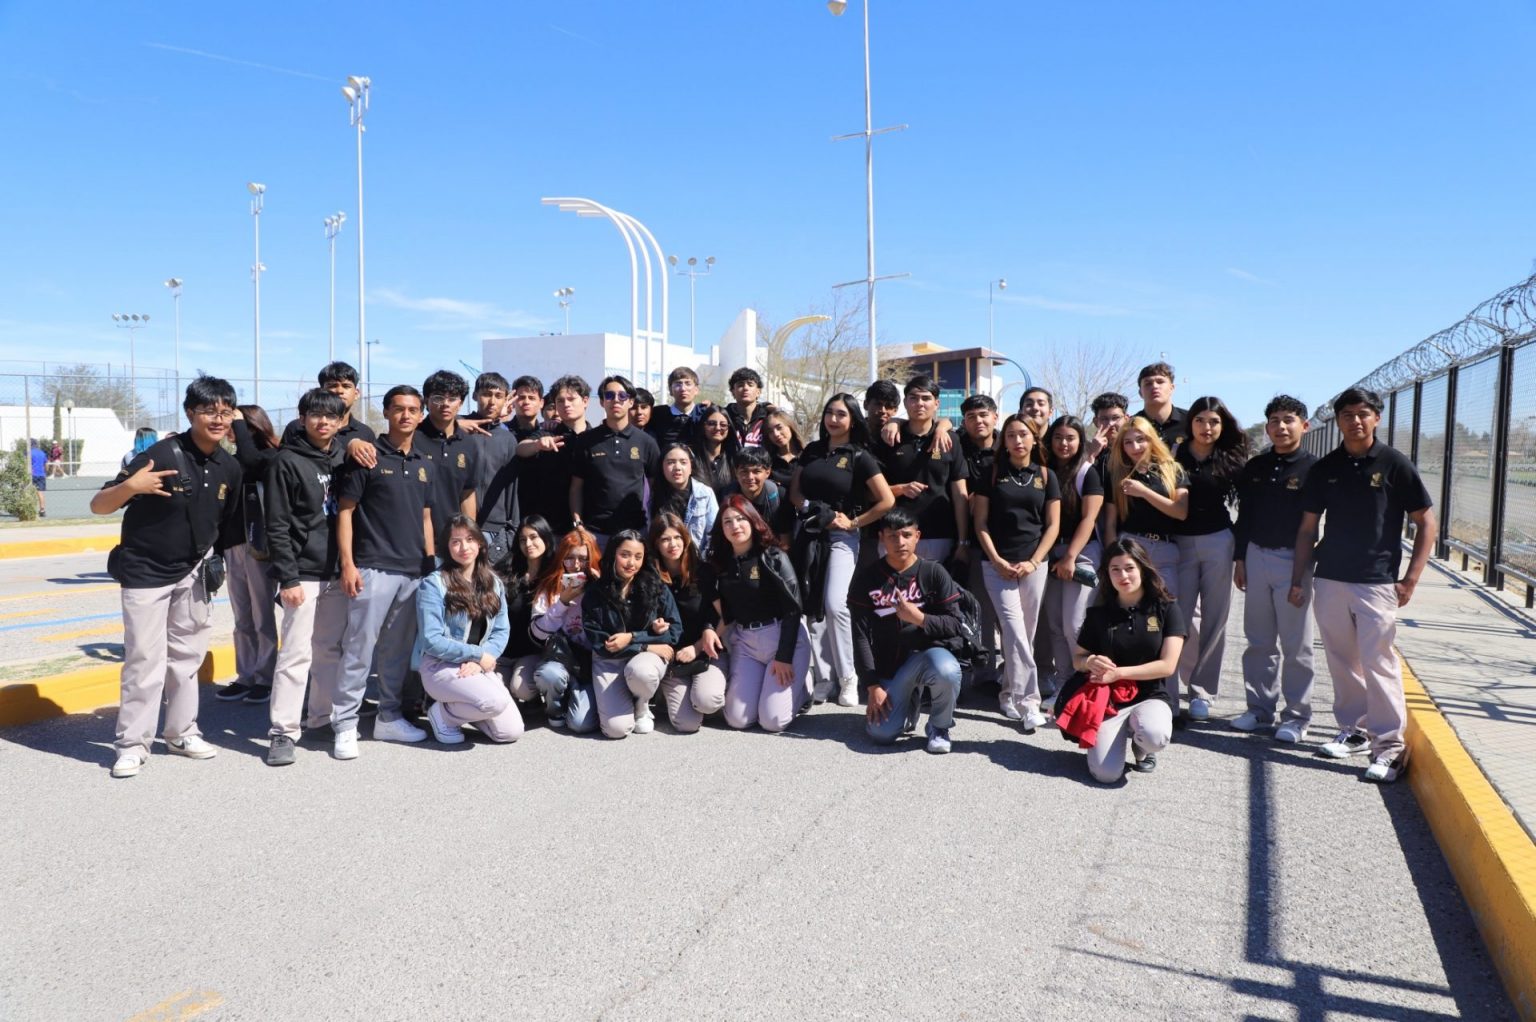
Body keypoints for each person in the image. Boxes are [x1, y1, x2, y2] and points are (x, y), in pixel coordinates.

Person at [91, 376, 243, 779]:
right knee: (144, 660)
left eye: (226, 412)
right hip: (146, 573)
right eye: (209, 411)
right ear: (190, 413)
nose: (218, 419)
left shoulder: (229, 466)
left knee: (187, 659)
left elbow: (225, 524)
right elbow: (99, 505)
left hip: (193, 573)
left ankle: (181, 732)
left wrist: (213, 564)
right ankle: (132, 745)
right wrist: (131, 485)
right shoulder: (159, 455)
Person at [1292, 387, 1435, 783]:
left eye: (1363, 413)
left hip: (1376, 581)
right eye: (1347, 415)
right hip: (1330, 577)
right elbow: (1307, 528)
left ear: (1376, 418)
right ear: (1337, 421)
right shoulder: (1326, 468)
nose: (1355, 421)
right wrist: (1299, 578)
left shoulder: (1394, 464)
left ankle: (1389, 747)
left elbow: (1426, 522)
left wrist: (1410, 580)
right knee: (1341, 659)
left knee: (1378, 662)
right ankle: (1353, 730)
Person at [332, 385, 436, 757]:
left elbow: (426, 517)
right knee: (359, 650)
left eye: (413, 409)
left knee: (396, 652)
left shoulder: (425, 464)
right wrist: (348, 564)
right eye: (399, 408)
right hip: (372, 568)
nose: (406, 415)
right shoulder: (367, 457)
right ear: (387, 412)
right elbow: (345, 512)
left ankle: (388, 717)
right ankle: (345, 723)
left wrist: (430, 565)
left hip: (414, 572)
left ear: (421, 415)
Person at [262, 388, 349, 767]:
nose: (323, 421)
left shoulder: (344, 457)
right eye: (315, 414)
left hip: (337, 572)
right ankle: (283, 731)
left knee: (328, 651)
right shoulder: (287, 461)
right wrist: (288, 578)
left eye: (331, 416)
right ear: (302, 419)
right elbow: (276, 524)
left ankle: (320, 718)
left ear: (341, 422)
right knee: (295, 653)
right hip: (303, 573)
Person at [790, 394, 895, 707]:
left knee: (836, 604)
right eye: (829, 413)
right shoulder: (812, 450)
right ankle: (825, 678)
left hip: (841, 538)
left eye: (841, 414)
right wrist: (811, 510)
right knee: (813, 607)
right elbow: (795, 492)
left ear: (852, 419)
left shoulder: (859, 455)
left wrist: (853, 522)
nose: (833, 419)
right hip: (809, 534)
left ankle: (849, 677)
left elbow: (887, 500)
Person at [1056, 538, 1187, 783]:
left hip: (1150, 696)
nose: (1123, 575)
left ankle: (1141, 746)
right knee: (1106, 775)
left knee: (1155, 736)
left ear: (1142, 569)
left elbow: (1168, 666)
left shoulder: (1167, 608)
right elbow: (1078, 659)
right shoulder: (1098, 613)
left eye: (1129, 568)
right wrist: (1090, 661)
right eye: (1115, 569)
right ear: (1107, 574)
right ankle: (1110, 743)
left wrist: (1119, 673)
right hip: (1108, 700)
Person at [1231, 396, 1317, 743]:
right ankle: (1259, 709)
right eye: (1275, 421)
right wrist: (1240, 558)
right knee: (1259, 640)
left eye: (1289, 420)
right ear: (1267, 427)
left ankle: (1296, 716)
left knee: (1296, 644)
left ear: (1304, 426)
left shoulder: (1314, 469)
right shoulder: (1256, 467)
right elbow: (1245, 516)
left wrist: (1304, 570)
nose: (1281, 427)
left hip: (1294, 560)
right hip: (1256, 555)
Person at [849, 508, 969, 754]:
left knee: (947, 670)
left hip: (929, 657)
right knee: (881, 734)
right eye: (892, 536)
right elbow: (859, 636)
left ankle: (939, 726)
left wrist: (920, 618)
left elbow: (956, 624)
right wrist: (872, 686)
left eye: (906, 535)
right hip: (890, 666)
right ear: (881, 538)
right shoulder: (867, 578)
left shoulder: (933, 572)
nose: (900, 542)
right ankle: (910, 701)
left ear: (917, 536)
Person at [973, 414, 1061, 730]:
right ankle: (1029, 703)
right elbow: (980, 523)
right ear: (1004, 440)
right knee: (1013, 629)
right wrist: (996, 559)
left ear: (1034, 438)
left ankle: (1008, 693)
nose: (1017, 440)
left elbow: (1053, 525)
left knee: (1024, 634)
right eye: (1011, 435)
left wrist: (1034, 561)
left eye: (1023, 434)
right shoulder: (991, 472)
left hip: (1034, 564)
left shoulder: (1046, 475)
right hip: (997, 565)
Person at [1104, 415, 1189, 706]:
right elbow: (1110, 521)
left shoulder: (1172, 469)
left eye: (1140, 439)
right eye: (1128, 442)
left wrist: (1144, 492)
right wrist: (1112, 556)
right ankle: (1124, 697)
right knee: (1129, 622)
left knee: (1166, 623)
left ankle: (1168, 702)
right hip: (1131, 547)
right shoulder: (1118, 473)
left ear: (1152, 439)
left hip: (1165, 549)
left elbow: (1180, 511)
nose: (1135, 446)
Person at [1172, 396, 1248, 721]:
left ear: (1222, 425)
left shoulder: (1231, 458)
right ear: (1190, 423)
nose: (1207, 427)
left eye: (1214, 422)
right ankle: (1167, 689)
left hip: (1219, 541)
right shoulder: (1175, 455)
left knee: (1215, 620)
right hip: (1180, 544)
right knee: (1179, 618)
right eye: (1200, 420)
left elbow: (1247, 508)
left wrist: (1241, 554)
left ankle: (1202, 692)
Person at [415, 514, 522, 744]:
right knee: (494, 701)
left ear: (480, 543)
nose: (464, 547)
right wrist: (477, 655)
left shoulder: (493, 583)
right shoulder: (434, 584)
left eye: (470, 539)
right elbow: (431, 640)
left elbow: (501, 631)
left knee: (510, 732)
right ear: (447, 547)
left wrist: (481, 660)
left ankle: (457, 708)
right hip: (440, 666)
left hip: (477, 666)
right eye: (456, 541)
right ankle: (442, 715)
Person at [710, 497, 812, 732]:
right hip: (746, 643)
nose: (735, 526)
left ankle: (803, 689)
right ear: (721, 528)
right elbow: (716, 606)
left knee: (773, 721)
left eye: (740, 519)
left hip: (782, 638)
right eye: (727, 521)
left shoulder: (773, 556)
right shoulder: (720, 563)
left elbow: (793, 609)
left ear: (753, 521)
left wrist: (784, 656)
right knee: (737, 720)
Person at [582, 530, 681, 738]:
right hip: (610, 660)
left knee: (641, 672)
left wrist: (634, 639)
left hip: (645, 660)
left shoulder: (656, 586)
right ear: (613, 554)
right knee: (615, 729)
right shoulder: (595, 592)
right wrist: (646, 644)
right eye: (625, 555)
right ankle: (626, 700)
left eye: (638, 556)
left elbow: (675, 631)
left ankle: (642, 703)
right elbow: (602, 644)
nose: (631, 563)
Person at [219, 404, 281, 705]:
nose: (228, 430)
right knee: (242, 617)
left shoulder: (270, 456)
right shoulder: (232, 459)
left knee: (262, 616)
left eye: (234, 425)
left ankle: (265, 677)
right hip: (233, 545)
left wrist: (240, 425)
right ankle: (245, 676)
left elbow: (252, 462)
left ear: (251, 426)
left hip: (259, 547)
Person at [1040, 415, 1105, 701]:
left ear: (1081, 441)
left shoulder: (1087, 472)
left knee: (1075, 625)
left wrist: (1070, 557)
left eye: (1070, 438)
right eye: (1058, 437)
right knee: (1055, 624)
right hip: (1049, 554)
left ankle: (1084, 686)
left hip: (1081, 555)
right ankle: (1064, 683)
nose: (1063, 444)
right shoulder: (1043, 471)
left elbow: (1090, 518)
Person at [873, 376, 970, 563]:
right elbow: (873, 491)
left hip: (939, 535)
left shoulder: (950, 439)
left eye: (926, 398)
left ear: (936, 403)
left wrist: (963, 540)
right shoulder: (889, 437)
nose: (919, 403)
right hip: (896, 534)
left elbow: (960, 493)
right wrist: (900, 489)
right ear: (905, 402)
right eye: (913, 398)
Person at [650, 513, 727, 733]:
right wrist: (654, 626)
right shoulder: (651, 576)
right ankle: (667, 694)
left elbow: (725, 615)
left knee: (707, 701)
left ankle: (712, 690)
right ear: (656, 544)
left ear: (685, 539)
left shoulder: (702, 571)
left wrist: (698, 646)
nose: (672, 544)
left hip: (706, 651)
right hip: (672, 657)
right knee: (687, 724)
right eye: (665, 539)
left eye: (677, 537)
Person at [570, 373, 660, 548]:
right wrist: (578, 523)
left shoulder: (646, 442)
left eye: (622, 396)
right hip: (595, 533)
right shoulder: (586, 441)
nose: (616, 400)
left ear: (630, 402)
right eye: (609, 395)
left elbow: (656, 488)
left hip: (635, 533)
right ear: (602, 402)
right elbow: (576, 488)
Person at [530, 528, 604, 730]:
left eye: (583, 559)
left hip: (589, 664)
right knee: (549, 675)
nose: (577, 565)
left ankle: (577, 696)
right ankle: (555, 707)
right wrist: (562, 602)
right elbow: (538, 634)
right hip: (559, 659)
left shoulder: (601, 586)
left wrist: (601, 592)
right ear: (561, 558)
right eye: (570, 558)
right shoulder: (549, 587)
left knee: (580, 724)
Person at [517, 374, 590, 535]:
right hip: (551, 527)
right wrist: (538, 445)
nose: (566, 405)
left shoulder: (596, 438)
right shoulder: (548, 433)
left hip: (590, 525)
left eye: (571, 399)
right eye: (560, 401)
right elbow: (521, 449)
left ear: (585, 401)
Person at [497, 514, 556, 710]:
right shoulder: (507, 570)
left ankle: (534, 699)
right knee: (496, 692)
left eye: (533, 537)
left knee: (521, 688)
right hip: (503, 653)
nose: (528, 544)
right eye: (523, 540)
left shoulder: (555, 574)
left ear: (545, 538)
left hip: (532, 653)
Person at [417, 370, 480, 549]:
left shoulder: (469, 444)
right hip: (414, 540)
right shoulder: (412, 438)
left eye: (452, 398)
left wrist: (469, 537)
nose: (445, 404)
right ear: (426, 401)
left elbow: (467, 494)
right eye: (438, 398)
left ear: (460, 403)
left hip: (453, 543)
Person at [651, 443, 719, 552]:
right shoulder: (652, 495)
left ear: (691, 467)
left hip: (698, 558)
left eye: (683, 462)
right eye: (671, 462)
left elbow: (714, 534)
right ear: (662, 467)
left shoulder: (705, 493)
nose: (677, 467)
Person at [729, 447, 794, 547]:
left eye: (756, 471)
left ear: (767, 472)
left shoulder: (779, 496)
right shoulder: (726, 496)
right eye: (744, 471)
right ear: (736, 473)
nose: (750, 477)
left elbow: (785, 542)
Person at [648, 366, 710, 450]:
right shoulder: (657, 415)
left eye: (688, 383)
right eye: (678, 384)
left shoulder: (706, 414)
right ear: (670, 390)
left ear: (696, 390)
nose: (683, 389)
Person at [1132, 362, 1188, 452]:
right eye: (1148, 383)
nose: (1154, 386)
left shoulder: (1190, 421)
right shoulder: (1131, 425)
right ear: (1140, 393)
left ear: (1172, 388)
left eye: (1160, 382)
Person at [692, 405, 737, 497]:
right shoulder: (691, 456)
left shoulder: (734, 458)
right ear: (703, 426)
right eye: (711, 423)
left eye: (723, 425)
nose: (717, 428)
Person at [725, 367, 770, 448]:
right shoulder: (724, 417)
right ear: (733, 392)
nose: (745, 388)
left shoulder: (769, 417)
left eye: (750, 384)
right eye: (740, 385)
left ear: (758, 392)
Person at [762, 409, 805, 489]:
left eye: (779, 427)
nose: (776, 434)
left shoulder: (807, 456)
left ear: (790, 426)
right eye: (770, 431)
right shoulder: (768, 461)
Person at [29, 440, 46, 517]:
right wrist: (45, 471)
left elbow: (25, 463)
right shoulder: (42, 453)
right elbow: (45, 464)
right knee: (40, 492)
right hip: (41, 475)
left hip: (32, 475)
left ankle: (29, 510)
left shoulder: (29, 453)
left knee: (27, 491)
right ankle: (42, 510)